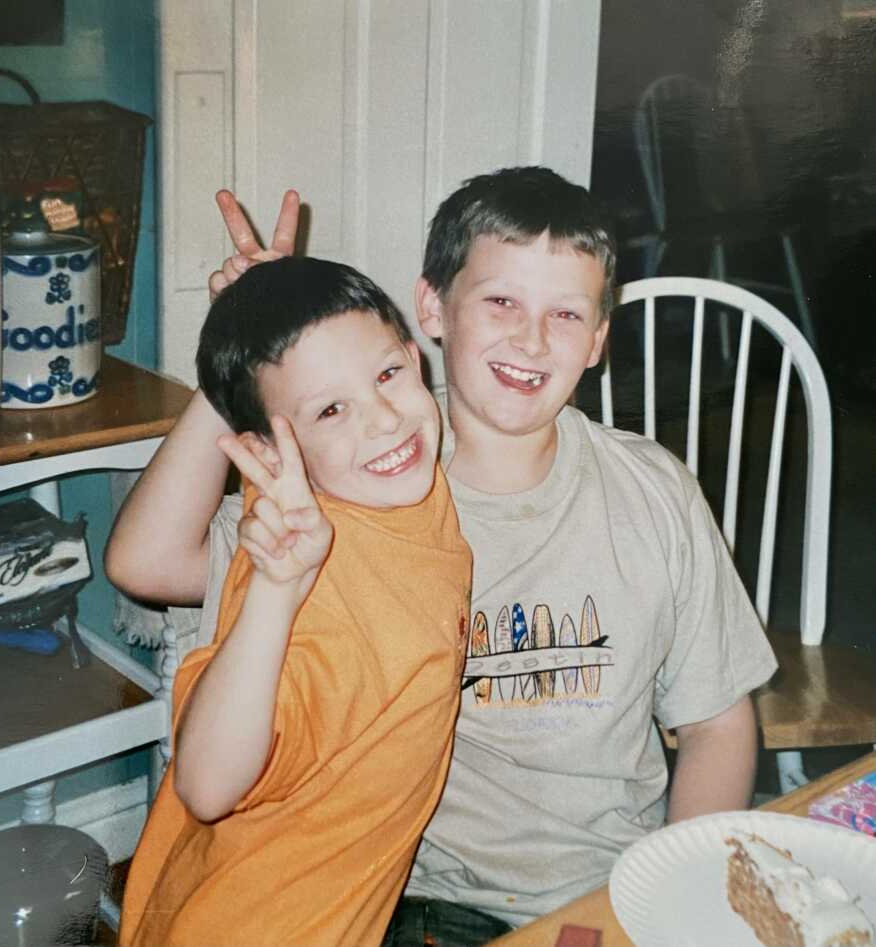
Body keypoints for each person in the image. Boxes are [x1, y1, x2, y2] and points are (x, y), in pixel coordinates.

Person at [118, 167, 778, 946]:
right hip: (429, 907)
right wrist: (256, 340)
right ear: (431, 308)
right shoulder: (353, 493)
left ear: (600, 339)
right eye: (501, 301)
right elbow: (149, 561)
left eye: (566, 313)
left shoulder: (654, 491)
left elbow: (717, 724)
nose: (532, 339)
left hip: (612, 889)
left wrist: (674, 902)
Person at [109, 256, 472, 947]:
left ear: (415, 358)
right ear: (270, 455)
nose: (385, 421)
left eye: (389, 374)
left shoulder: (400, 484)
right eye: (331, 410)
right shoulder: (298, 564)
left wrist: (249, 327)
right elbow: (209, 785)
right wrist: (275, 593)